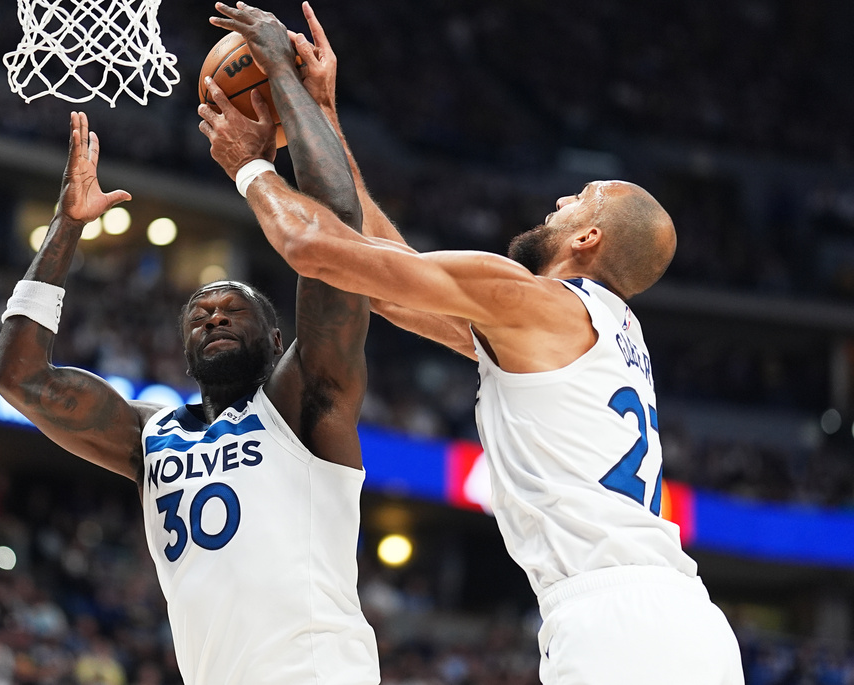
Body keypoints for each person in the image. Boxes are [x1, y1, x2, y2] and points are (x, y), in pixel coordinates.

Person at [199, 3, 744, 683]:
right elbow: (392, 286)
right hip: (673, 620)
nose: (557, 203)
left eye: (578, 200)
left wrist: (252, 168)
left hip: (618, 624)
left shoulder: (531, 299)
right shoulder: (597, 332)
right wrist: (326, 116)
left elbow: (316, 249)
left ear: (587, 239)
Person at [0, 106, 381, 684]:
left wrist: (283, 107)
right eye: (200, 315)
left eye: (232, 311)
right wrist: (68, 225)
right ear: (183, 349)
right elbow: (17, 376)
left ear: (276, 339)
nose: (214, 318)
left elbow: (339, 239)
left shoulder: (302, 408)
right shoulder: (150, 436)